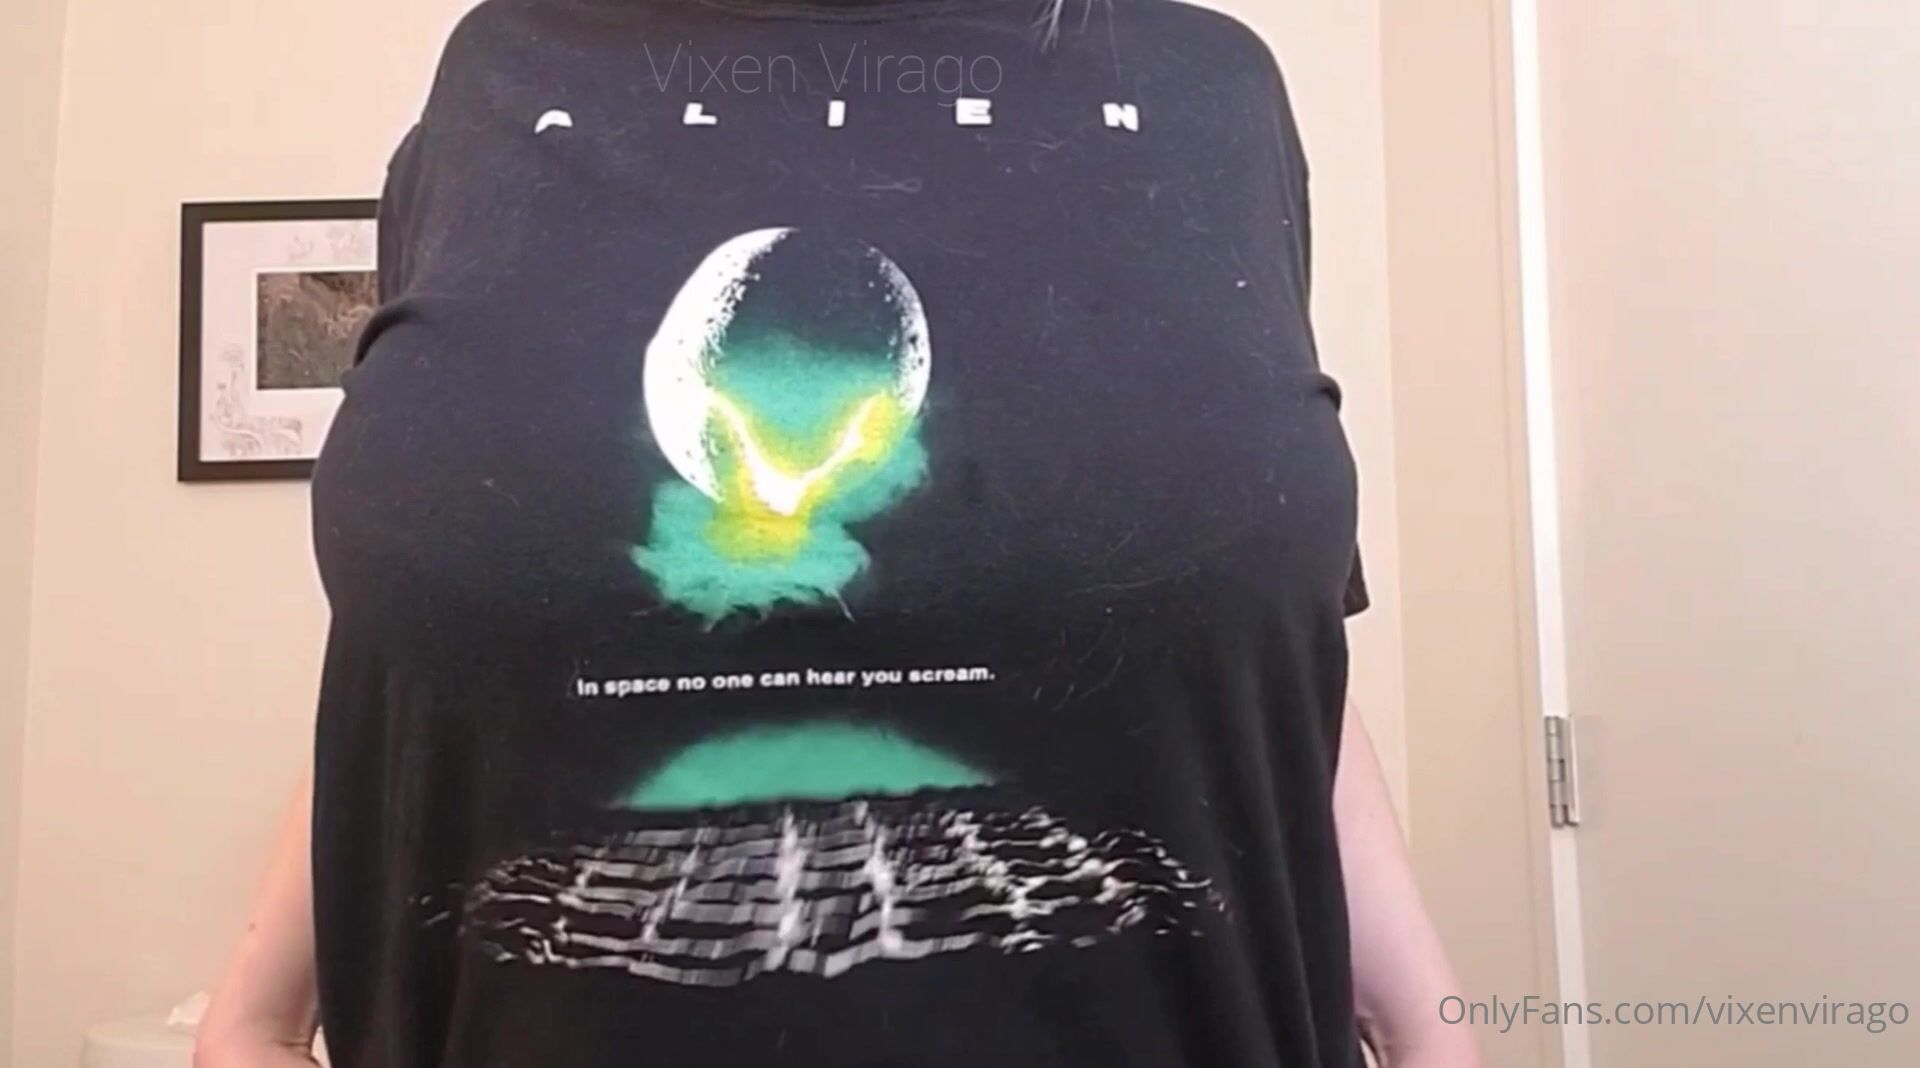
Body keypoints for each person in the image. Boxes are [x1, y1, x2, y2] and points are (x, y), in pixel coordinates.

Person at [196, 0, 1479, 1065]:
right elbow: (440, 635)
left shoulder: (1208, 92)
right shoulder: (497, 77)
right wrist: (252, 1016)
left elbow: (1255, 631)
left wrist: (1428, 1029)